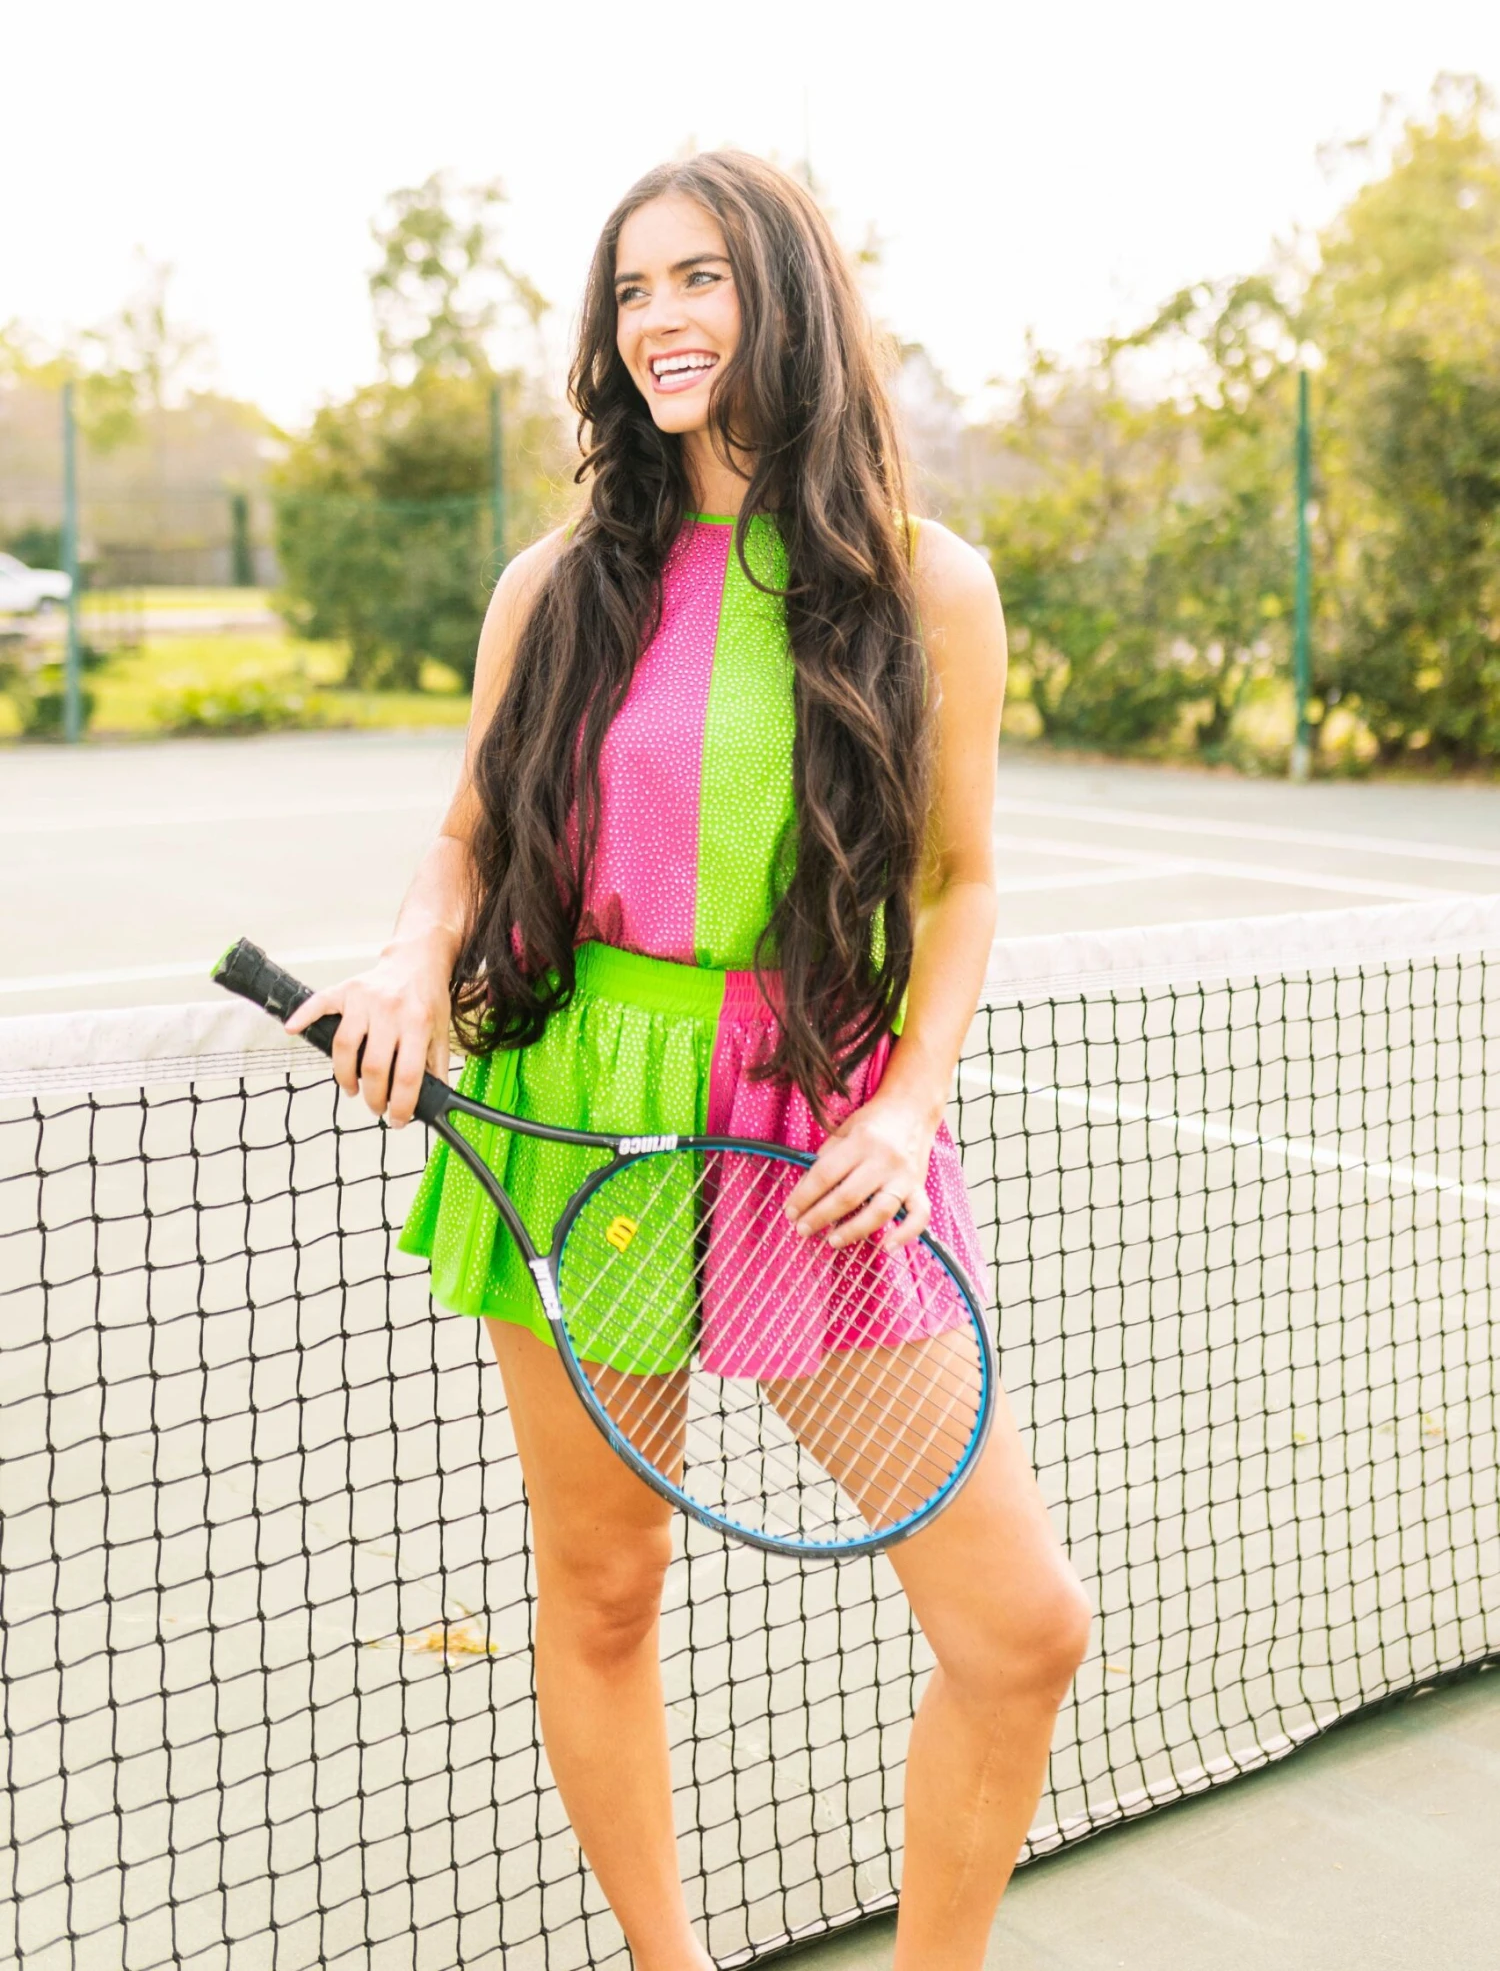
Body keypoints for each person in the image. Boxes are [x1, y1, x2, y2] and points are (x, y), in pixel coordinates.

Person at [288, 151, 1089, 1971]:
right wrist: (416, 957)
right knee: (604, 1591)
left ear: (790, 298)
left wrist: (905, 1099)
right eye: (634, 289)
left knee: (1021, 1628)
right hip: (583, 1120)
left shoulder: (926, 583)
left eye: (702, 278)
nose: (660, 318)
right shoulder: (556, 583)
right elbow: (469, 834)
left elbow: (963, 883)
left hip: (817, 1129)